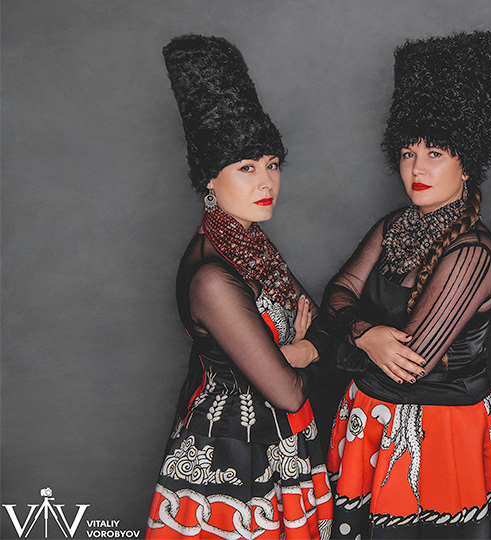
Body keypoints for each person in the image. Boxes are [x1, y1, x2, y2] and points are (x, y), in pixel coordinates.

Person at [321, 30, 491, 539]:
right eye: (409, 152)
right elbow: (336, 292)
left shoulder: (474, 253)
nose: (418, 167)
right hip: (374, 423)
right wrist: (366, 333)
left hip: (440, 437)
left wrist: (343, 334)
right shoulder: (394, 225)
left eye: (436, 152)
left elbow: (408, 365)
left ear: (467, 162)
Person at [147, 35, 332, 539]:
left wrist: (297, 350)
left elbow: (321, 320)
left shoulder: (250, 244)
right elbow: (289, 393)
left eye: (272, 165)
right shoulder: (212, 276)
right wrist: (302, 352)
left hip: (282, 447)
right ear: (210, 179)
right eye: (247, 168)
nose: (266, 182)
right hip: (233, 454)